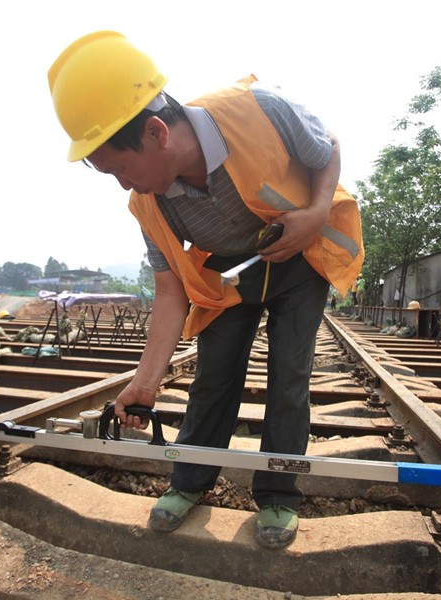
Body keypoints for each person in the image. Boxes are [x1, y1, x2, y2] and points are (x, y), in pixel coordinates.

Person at [47, 31, 363, 549]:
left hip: (298, 254)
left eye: (120, 168)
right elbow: (171, 294)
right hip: (229, 273)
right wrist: (144, 385)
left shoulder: (261, 109)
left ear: (155, 132)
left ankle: (279, 494)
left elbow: (328, 147)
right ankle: (189, 480)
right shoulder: (149, 204)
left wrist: (316, 212)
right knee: (214, 376)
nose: (124, 184)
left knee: (289, 376)